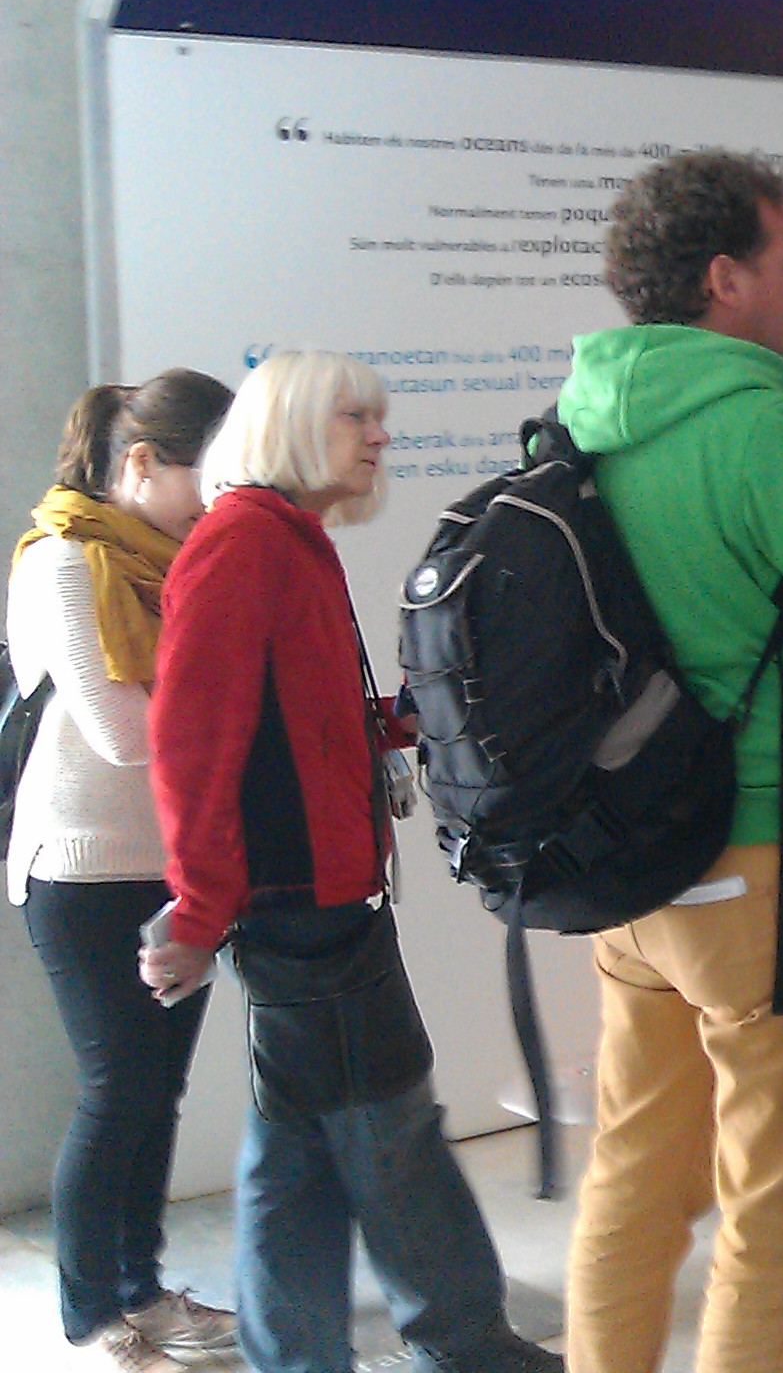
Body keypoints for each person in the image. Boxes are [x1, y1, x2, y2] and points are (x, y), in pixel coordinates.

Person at [556, 149, 783, 1373]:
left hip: (631, 863)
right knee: (777, 1194)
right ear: (724, 276)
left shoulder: (590, 414)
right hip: (758, 865)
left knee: (636, 1174)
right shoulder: (759, 423)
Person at [137, 350, 557, 1373]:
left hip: (317, 899)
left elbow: (290, 716)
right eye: (353, 417)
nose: (378, 436)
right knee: (389, 1131)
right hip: (299, 906)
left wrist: (398, 719)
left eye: (377, 416)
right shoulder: (242, 546)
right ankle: (462, 1344)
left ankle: (327, 1353)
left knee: (304, 1153)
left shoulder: (283, 540)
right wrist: (198, 910)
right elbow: (192, 747)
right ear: (285, 424)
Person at [10, 371, 237, 1373]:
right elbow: (121, 732)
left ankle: (142, 1288)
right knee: (117, 1090)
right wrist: (235, 706)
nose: (214, 500)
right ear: (141, 462)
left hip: (177, 862)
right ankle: (90, 1313)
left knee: (157, 1093)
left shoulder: (176, 558)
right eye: (203, 476)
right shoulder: (66, 558)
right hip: (81, 870)